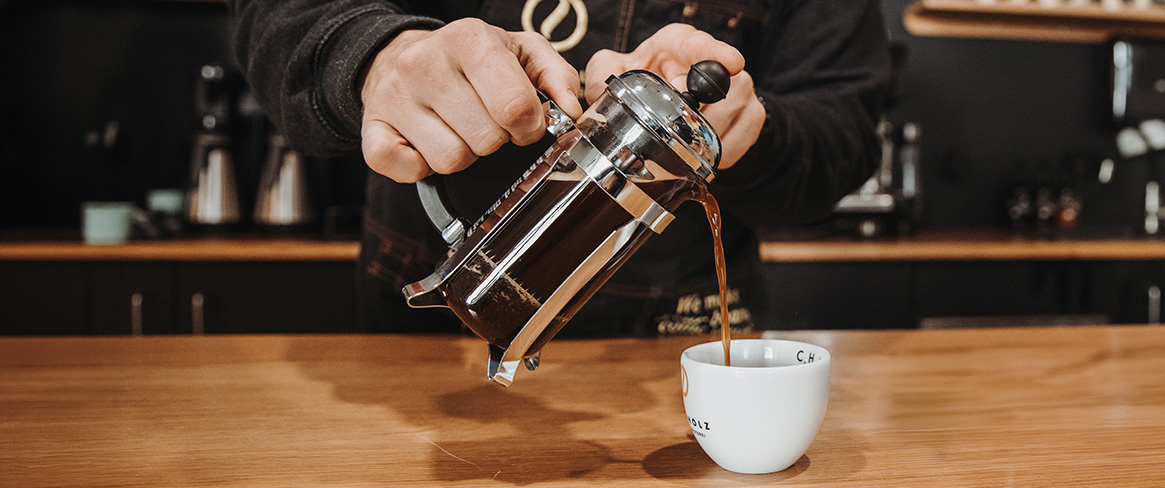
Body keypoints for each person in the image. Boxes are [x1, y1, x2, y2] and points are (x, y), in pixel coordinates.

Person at [229, 0, 890, 337]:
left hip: (678, 340)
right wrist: (374, 56)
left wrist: (753, 133)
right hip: (430, 335)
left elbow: (846, 128)